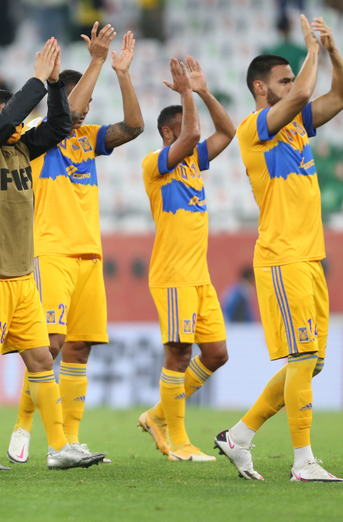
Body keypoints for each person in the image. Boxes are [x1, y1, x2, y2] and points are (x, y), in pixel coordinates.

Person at [214, 15, 343, 482]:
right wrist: (311, 51)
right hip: (282, 256)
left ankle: (239, 436)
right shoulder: (255, 126)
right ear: (261, 88)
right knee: (301, 358)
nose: (294, 85)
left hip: (309, 256)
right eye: (284, 79)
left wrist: (332, 51)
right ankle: (303, 462)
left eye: (293, 77)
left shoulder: (296, 126)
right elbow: (301, 96)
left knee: (310, 362)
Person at [0, 38, 105, 470]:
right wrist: (37, 79)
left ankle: (59, 447)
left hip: (22, 274)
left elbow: (60, 126)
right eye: (6, 117)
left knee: (41, 359)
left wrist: (56, 85)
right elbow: (8, 123)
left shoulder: (21, 149)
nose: (17, 124)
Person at [7, 23, 144, 464]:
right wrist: (97, 61)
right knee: (49, 345)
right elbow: (68, 110)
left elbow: (136, 126)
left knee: (80, 348)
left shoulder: (89, 139)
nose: (81, 112)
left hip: (89, 252)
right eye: (70, 103)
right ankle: (27, 425)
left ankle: (70, 441)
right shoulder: (38, 140)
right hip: (52, 250)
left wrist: (121, 73)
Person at [138, 56, 235, 461]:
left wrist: (204, 91)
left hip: (199, 277)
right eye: (181, 129)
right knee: (178, 355)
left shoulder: (195, 162)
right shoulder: (156, 165)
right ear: (167, 132)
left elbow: (227, 131)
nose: (192, 135)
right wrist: (185, 91)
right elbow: (194, 131)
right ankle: (178, 438)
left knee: (216, 355)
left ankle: (158, 415)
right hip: (174, 274)